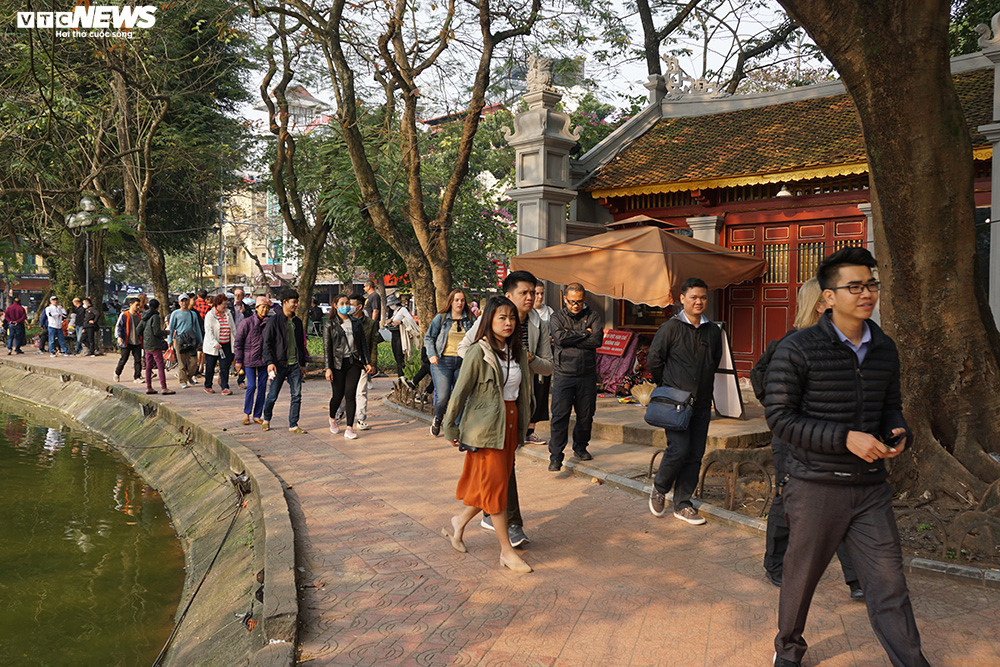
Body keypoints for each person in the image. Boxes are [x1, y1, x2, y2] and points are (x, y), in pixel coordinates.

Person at [766, 247, 927, 667]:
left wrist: (898, 430)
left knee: (889, 583)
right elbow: (780, 418)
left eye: (871, 284)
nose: (866, 293)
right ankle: (788, 651)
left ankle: (911, 660)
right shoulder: (798, 348)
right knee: (800, 579)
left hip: (870, 487)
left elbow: (890, 406)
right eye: (854, 286)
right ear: (829, 296)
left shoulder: (884, 347)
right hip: (815, 484)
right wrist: (845, 438)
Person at [756, 278, 862, 598]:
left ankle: (857, 578)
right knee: (788, 499)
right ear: (819, 306)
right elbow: (760, 375)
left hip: (830, 437)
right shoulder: (790, 343)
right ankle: (776, 565)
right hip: (792, 438)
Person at [457, 270, 553, 548]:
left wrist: (526, 359)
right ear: (508, 295)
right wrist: (490, 365)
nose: (530, 297)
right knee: (502, 469)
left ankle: (468, 520)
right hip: (488, 410)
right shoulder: (490, 318)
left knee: (500, 469)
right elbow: (465, 348)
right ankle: (511, 525)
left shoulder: (538, 324)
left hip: (517, 405)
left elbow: (548, 366)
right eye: (524, 293)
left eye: (533, 292)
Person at [440, 296, 534, 574]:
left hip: (510, 424)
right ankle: (506, 551)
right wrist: (450, 426)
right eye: (502, 317)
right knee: (496, 489)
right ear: (488, 320)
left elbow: (522, 391)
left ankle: (459, 522)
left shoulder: (517, 352)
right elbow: (460, 392)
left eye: (512, 318)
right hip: (486, 428)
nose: (508, 323)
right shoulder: (478, 352)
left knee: (493, 484)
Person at [647, 277, 722, 525]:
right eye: (694, 297)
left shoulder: (713, 331)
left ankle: (683, 504)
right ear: (682, 299)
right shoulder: (670, 328)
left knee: (695, 454)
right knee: (678, 449)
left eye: (703, 297)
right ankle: (660, 487)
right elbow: (654, 361)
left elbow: (714, 361)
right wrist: (668, 387)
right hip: (676, 404)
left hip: (701, 403)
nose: (699, 302)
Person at [547, 283, 603, 471]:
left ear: (584, 299)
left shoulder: (593, 316)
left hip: (587, 375)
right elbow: (559, 339)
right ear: (565, 299)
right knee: (559, 416)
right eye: (571, 302)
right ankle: (556, 456)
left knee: (586, 416)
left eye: (579, 302)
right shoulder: (557, 317)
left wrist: (570, 338)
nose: (575, 306)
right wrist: (584, 333)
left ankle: (581, 447)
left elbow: (597, 340)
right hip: (563, 374)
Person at [425, 289, 476, 436]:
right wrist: (432, 355)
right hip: (442, 362)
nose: (460, 303)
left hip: (463, 362)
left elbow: (478, 337)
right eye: (456, 300)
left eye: (462, 300)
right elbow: (429, 337)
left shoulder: (470, 319)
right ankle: (438, 418)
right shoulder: (441, 318)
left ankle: (457, 427)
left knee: (460, 396)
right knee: (443, 397)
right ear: (451, 302)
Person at [324, 294, 375, 439]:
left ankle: (349, 428)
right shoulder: (330, 324)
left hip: (354, 363)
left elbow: (363, 344)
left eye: (347, 303)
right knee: (338, 395)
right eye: (342, 303)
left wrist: (367, 362)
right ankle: (332, 418)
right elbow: (327, 348)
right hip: (337, 364)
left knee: (350, 394)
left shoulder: (356, 323)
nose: (346, 306)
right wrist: (328, 368)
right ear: (335, 306)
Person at [261, 289, 308, 433]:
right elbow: (266, 344)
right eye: (293, 302)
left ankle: (293, 424)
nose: (296, 305)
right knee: (272, 395)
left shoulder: (297, 322)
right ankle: (266, 419)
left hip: (295, 365)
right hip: (278, 364)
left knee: (296, 395)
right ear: (285, 302)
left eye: (297, 302)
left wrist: (302, 364)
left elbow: (300, 345)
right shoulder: (274, 321)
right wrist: (270, 362)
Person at [234, 296, 271, 425]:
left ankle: (257, 415)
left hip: (264, 360)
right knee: (251, 386)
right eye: (263, 307)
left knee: (262, 387)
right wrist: (239, 360)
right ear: (256, 308)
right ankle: (246, 413)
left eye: (267, 307)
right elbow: (238, 342)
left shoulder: (270, 323)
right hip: (249, 359)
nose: (265, 310)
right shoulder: (247, 322)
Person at [527, 282, 554, 444]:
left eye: (541, 293)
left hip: (542, 359)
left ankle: (530, 431)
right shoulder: (524, 314)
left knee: (540, 395)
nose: (538, 297)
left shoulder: (549, 312)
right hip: (527, 360)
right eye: (536, 293)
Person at [348, 293, 377, 430]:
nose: (348, 307)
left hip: (363, 362)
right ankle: (340, 412)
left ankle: (361, 418)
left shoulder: (370, 323)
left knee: (361, 391)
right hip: (346, 361)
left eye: (351, 305)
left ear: (359, 307)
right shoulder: (344, 321)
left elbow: (373, 344)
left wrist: (372, 363)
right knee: (346, 391)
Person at [136, 299, 175, 395]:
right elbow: (156, 331)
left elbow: (138, 330)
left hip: (146, 345)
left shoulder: (145, 316)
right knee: (160, 366)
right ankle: (164, 388)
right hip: (155, 345)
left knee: (148, 366)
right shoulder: (155, 317)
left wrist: (145, 336)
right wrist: (166, 332)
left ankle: (149, 387)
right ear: (158, 307)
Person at [167, 294, 204, 389]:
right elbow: (171, 328)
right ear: (179, 303)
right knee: (182, 362)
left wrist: (200, 340)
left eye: (186, 300)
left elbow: (197, 328)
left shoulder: (193, 314)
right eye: (182, 301)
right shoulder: (175, 313)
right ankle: (183, 381)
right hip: (179, 340)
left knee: (194, 362)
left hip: (191, 340)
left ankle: (190, 376)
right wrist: (170, 340)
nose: (184, 303)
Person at [203, 294, 235, 395]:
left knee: (225, 367)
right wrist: (214, 342)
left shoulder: (228, 314)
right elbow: (208, 331)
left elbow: (233, 329)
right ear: (217, 304)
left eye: (226, 304)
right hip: (213, 345)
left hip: (226, 344)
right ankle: (208, 385)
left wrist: (235, 342)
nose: (225, 306)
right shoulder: (210, 315)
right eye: (223, 304)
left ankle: (225, 387)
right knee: (210, 367)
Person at [114, 297, 144, 383]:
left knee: (138, 360)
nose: (138, 307)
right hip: (126, 341)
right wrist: (119, 337)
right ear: (131, 305)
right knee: (124, 359)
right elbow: (119, 326)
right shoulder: (124, 315)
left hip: (137, 341)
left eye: (139, 305)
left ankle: (137, 377)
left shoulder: (139, 316)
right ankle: (117, 373)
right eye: (136, 305)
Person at [385, 294, 408, 377]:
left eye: (392, 304)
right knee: (396, 357)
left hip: (400, 335)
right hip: (393, 335)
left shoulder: (403, 310)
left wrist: (401, 322)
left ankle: (402, 377)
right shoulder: (393, 312)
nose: (391, 306)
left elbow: (410, 320)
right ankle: (400, 377)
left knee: (399, 357)